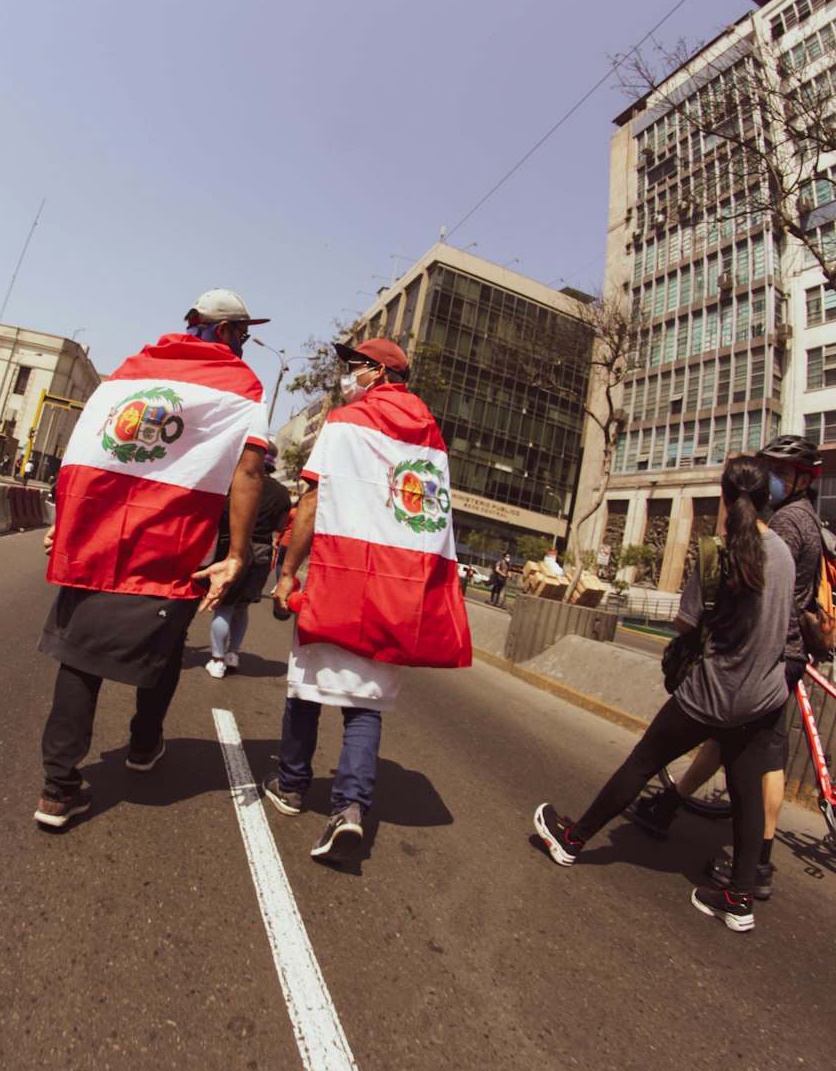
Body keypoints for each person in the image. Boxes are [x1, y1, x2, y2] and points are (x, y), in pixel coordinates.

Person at [33, 287, 270, 829]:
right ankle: (143, 745)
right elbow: (248, 471)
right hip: (170, 544)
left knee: (79, 654)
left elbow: (84, 449)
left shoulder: (130, 370)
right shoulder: (241, 385)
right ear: (229, 332)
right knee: (162, 651)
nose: (246, 344)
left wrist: (69, 522)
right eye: (246, 335)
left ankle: (58, 787)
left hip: (100, 541)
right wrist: (236, 555)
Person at [534, 454, 796, 933]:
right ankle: (739, 897)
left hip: (712, 693)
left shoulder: (717, 552)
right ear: (767, 501)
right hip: (762, 698)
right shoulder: (782, 553)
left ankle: (572, 838)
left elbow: (685, 623)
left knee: (642, 761)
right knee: (746, 792)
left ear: (723, 496)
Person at [265, 338, 472, 862]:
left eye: (354, 367)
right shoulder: (432, 438)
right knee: (364, 704)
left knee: (306, 687)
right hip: (398, 592)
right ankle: (349, 809)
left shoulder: (344, 423)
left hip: (342, 580)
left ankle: (291, 785)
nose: (347, 376)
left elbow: (311, 500)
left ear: (378, 372)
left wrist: (288, 573)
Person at [627, 433, 822, 900]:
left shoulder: (790, 524)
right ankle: (668, 807)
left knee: (764, 761)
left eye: (780, 472)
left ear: (800, 479)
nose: (773, 478)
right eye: (768, 470)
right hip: (778, 655)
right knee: (724, 741)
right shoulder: (806, 519)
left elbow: (766, 587)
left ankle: (757, 865)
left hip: (774, 657)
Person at [205, 442, 292, 677]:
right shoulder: (282, 492)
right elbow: (282, 526)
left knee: (224, 605)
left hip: (234, 548)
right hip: (262, 553)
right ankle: (233, 653)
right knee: (241, 608)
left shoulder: (235, 484)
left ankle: (217, 659)